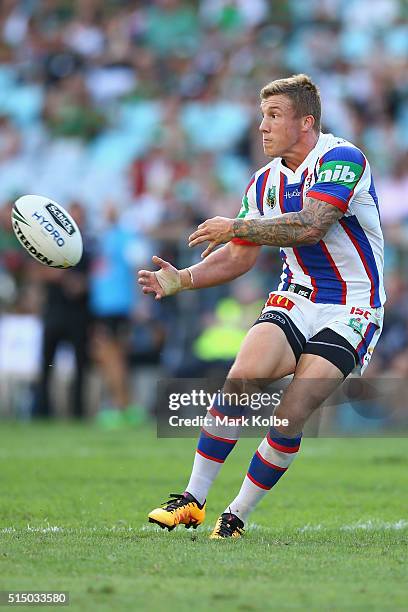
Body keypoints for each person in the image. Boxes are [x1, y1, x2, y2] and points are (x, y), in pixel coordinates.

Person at [138, 74, 385, 538]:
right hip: (296, 297)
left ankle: (236, 516)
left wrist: (235, 225)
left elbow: (311, 226)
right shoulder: (264, 182)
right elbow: (241, 254)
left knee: (291, 414)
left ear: (306, 122)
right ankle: (192, 500)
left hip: (353, 307)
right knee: (239, 383)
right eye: (261, 117)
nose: (263, 127)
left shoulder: (342, 159)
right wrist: (183, 279)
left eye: (274, 116)